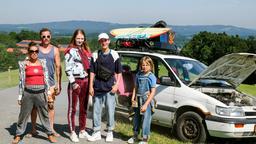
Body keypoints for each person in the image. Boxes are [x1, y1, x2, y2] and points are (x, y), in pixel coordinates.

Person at [12, 42, 57, 144]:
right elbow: (21, 81)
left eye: (36, 51)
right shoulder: (23, 64)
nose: (34, 53)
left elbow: (46, 79)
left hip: (41, 93)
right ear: (28, 52)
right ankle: (18, 135)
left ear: (38, 52)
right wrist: (20, 96)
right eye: (31, 51)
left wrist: (49, 94)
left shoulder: (43, 62)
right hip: (28, 93)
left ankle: (49, 134)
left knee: (44, 115)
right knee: (23, 115)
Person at [88, 33, 122, 142]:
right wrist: (90, 87)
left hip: (110, 88)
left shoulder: (115, 54)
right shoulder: (95, 55)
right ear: (99, 42)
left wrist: (117, 85)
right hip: (97, 87)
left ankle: (110, 132)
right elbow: (92, 72)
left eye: (105, 40)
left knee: (110, 110)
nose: (104, 42)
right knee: (96, 111)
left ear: (109, 41)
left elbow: (119, 72)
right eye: (101, 41)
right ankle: (96, 132)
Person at [28, 28, 62, 137]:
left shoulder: (55, 50)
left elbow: (58, 67)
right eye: (43, 36)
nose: (46, 38)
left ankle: (51, 129)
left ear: (50, 37)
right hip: (36, 83)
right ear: (40, 38)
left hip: (51, 83)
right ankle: (33, 129)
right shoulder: (36, 49)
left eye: (48, 36)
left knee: (50, 106)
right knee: (34, 107)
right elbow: (30, 62)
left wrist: (58, 84)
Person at [64, 29, 91, 142]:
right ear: (74, 38)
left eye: (82, 38)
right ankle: (72, 132)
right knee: (72, 108)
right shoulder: (70, 51)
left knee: (83, 108)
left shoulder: (86, 51)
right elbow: (67, 69)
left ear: (84, 39)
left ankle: (82, 130)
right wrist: (73, 83)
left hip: (86, 81)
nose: (80, 40)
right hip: (75, 82)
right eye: (78, 38)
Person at [127, 56, 156, 144]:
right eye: (143, 65)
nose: (144, 67)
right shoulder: (138, 74)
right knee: (136, 119)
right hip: (138, 99)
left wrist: (146, 104)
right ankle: (135, 135)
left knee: (146, 120)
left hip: (146, 100)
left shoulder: (151, 76)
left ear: (150, 66)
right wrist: (133, 97)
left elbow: (153, 92)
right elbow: (135, 87)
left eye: (147, 65)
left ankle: (145, 139)